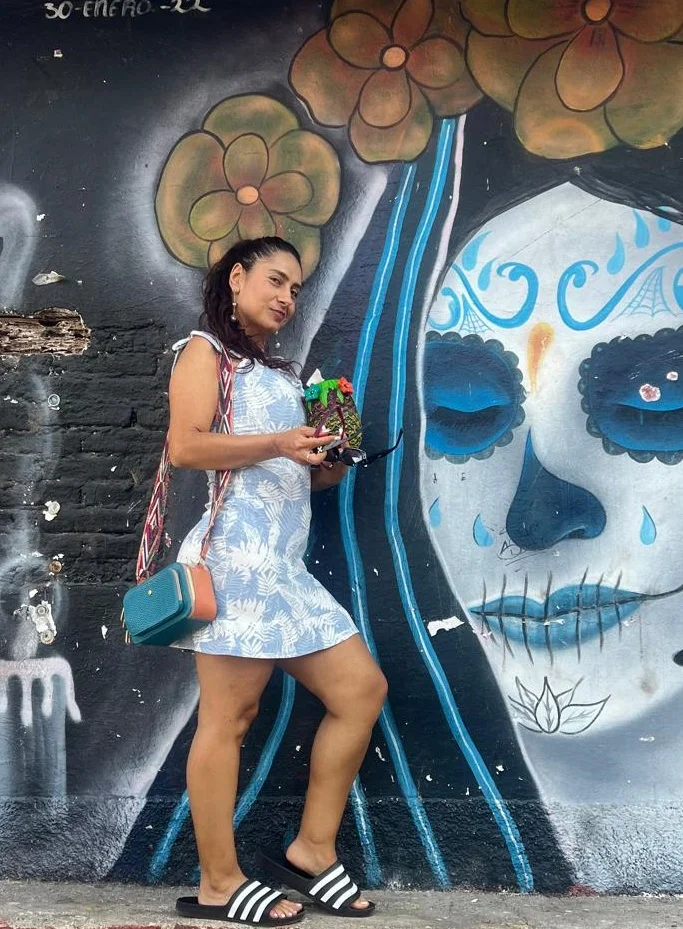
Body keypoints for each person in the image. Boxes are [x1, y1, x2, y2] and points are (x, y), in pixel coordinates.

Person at [166, 236, 387, 925]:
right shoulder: (204, 352)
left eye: (295, 288)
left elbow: (300, 478)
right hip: (232, 566)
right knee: (228, 720)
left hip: (283, 570)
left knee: (360, 691)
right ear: (237, 278)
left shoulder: (282, 375)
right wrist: (281, 442)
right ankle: (218, 882)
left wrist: (329, 459)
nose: (287, 297)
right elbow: (186, 446)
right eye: (275, 280)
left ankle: (311, 851)